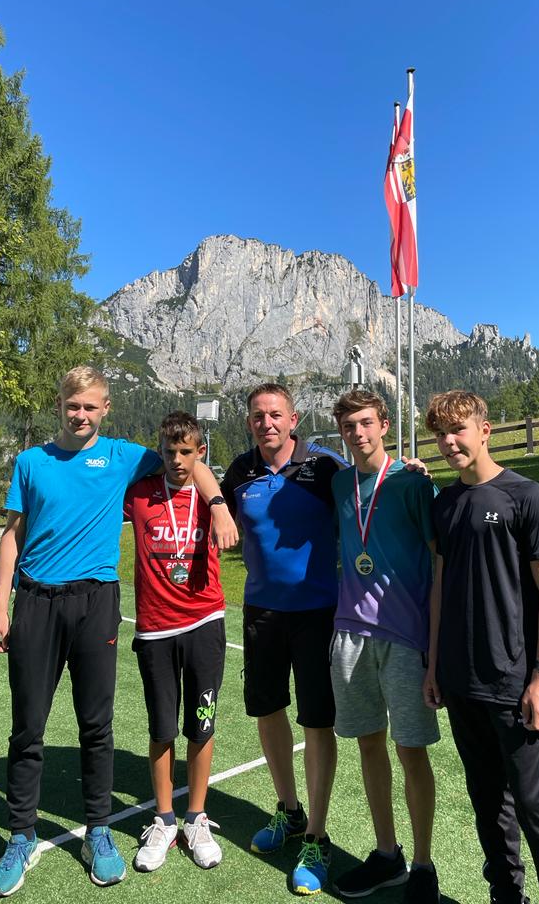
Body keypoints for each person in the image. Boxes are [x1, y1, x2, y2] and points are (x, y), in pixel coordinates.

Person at [0, 367, 236, 897]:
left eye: (91, 406)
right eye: (72, 405)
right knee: (27, 727)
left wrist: (216, 506)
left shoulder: (124, 456)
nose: (81, 414)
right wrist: (0, 606)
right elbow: (12, 536)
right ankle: (20, 836)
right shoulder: (31, 462)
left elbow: (193, 460)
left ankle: (99, 831)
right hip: (34, 601)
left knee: (96, 726)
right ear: (60, 404)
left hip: (97, 602)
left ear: (106, 409)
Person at [424, 391, 539, 904]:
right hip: (459, 680)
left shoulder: (526, 496)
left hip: (515, 684)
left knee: (536, 807)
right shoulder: (446, 504)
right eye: (441, 434)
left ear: (485, 429)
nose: (450, 442)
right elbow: (438, 586)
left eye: (459, 430)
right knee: (487, 804)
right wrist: (434, 665)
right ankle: (505, 896)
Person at [221, 382, 346, 895]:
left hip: (319, 614)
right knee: (267, 711)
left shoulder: (324, 467)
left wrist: (411, 472)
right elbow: (203, 480)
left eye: (275, 415)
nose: (266, 423)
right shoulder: (239, 471)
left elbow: (370, 484)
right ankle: (289, 811)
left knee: (316, 721)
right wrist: (212, 503)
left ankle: (316, 833)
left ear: (293, 419)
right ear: (249, 421)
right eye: (257, 416)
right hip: (261, 614)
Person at [329, 390, 441, 903]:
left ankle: (422, 865)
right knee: (368, 744)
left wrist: (434, 647)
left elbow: (440, 561)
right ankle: (387, 854)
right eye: (349, 425)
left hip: (404, 637)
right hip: (350, 634)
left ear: (385, 425)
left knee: (410, 751)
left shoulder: (412, 483)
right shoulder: (337, 483)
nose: (358, 433)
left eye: (366, 423)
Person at [124, 412, 225, 873]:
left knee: (201, 723)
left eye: (187, 452)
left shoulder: (211, 496)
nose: (178, 460)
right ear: (159, 451)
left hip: (205, 622)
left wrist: (219, 504)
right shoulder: (140, 493)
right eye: (170, 452)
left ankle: (195, 816)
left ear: (200, 453)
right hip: (155, 628)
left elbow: (207, 479)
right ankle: (163, 818)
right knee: (162, 727)